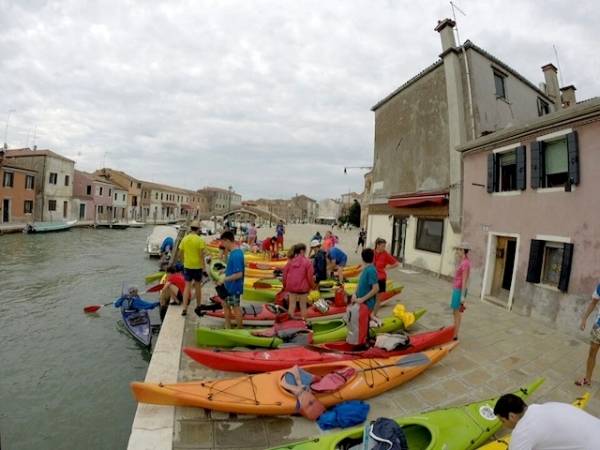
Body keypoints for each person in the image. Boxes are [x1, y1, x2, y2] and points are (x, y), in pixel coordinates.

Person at [493, 393, 600, 449]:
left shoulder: (522, 432)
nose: (503, 425)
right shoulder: (545, 406)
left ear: (511, 416)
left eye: (502, 421)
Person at [216, 231, 245, 329]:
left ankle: (239, 327)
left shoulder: (236, 255)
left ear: (227, 241)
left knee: (235, 307)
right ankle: (227, 326)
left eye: (223, 243)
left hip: (234, 287)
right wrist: (225, 270)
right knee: (225, 304)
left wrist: (225, 279)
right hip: (229, 286)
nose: (222, 245)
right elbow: (233, 268)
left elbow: (239, 274)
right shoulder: (234, 252)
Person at [179, 221, 208, 316]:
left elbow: (180, 253)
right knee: (198, 287)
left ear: (191, 228)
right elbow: (201, 256)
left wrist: (183, 262)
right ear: (198, 229)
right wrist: (204, 268)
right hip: (197, 267)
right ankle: (198, 306)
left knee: (187, 287)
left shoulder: (185, 239)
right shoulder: (200, 240)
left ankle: (184, 308)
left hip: (187, 266)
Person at [575, 283, 600, 386]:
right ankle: (588, 379)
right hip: (599, 327)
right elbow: (593, 303)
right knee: (592, 353)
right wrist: (584, 319)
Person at [283, 243, 315, 320]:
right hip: (302, 288)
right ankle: (304, 323)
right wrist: (312, 286)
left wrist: (285, 285)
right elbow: (309, 277)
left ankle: (289, 324)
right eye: (305, 250)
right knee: (303, 306)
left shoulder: (290, 262)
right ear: (302, 251)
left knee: (292, 306)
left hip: (291, 287)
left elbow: (284, 275)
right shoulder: (307, 262)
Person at [373, 238, 399, 314]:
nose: (384, 248)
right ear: (377, 245)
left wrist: (388, 267)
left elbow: (396, 263)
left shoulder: (385, 254)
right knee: (370, 298)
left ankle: (374, 315)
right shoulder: (371, 252)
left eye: (385, 246)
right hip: (371, 278)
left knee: (377, 299)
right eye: (383, 246)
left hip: (381, 279)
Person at [451, 242, 471, 340]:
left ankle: (455, 335)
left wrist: (463, 296)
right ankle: (454, 332)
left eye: (459, 249)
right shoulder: (462, 261)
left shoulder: (465, 263)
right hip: (457, 289)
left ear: (463, 251)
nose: (457, 251)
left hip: (459, 290)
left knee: (457, 312)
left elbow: (464, 280)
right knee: (455, 312)